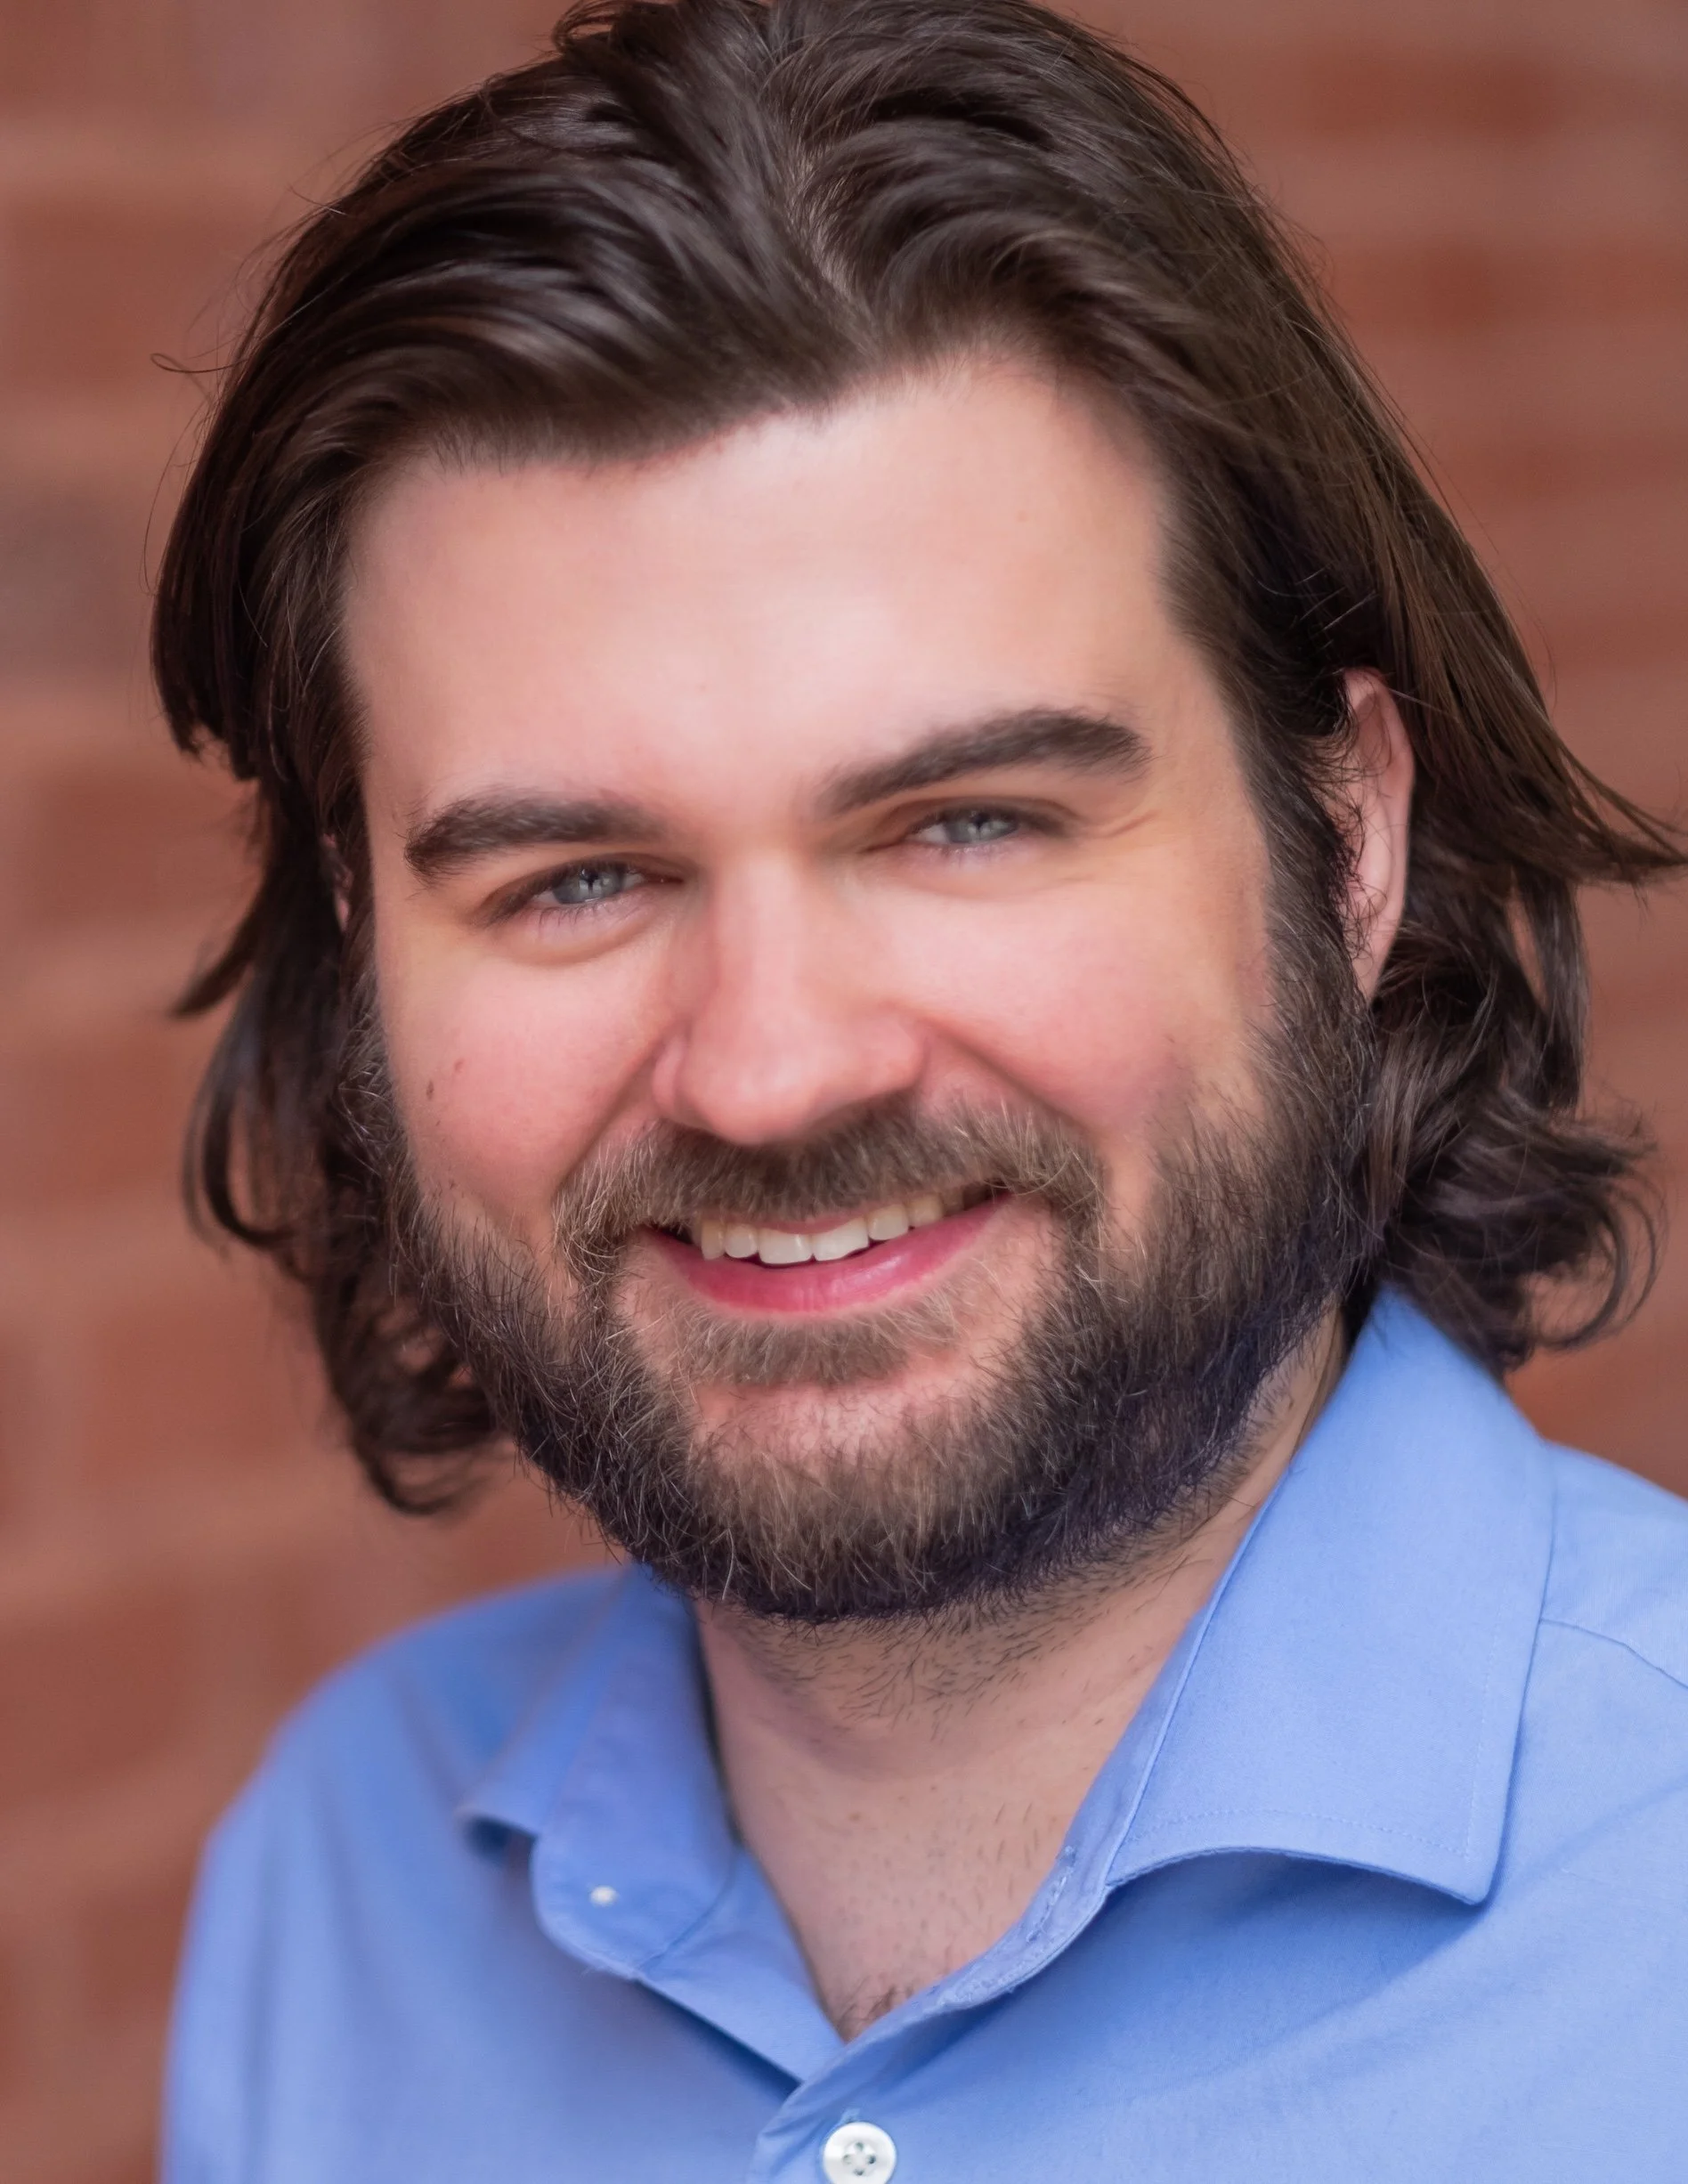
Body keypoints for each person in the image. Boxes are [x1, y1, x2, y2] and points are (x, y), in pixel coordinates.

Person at [154, 1, 1688, 2177]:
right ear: (362, 932)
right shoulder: (343, 1888)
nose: (772, 1069)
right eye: (578, 875)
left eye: (966, 820)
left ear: (1345, 841)